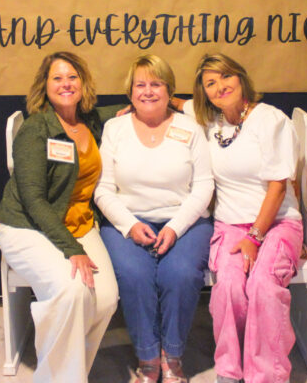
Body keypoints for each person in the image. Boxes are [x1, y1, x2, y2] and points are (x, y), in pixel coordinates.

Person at [0, 51, 119, 383]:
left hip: (78, 223)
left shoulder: (90, 121)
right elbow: (34, 201)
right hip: (27, 227)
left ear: (83, 83)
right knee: (71, 292)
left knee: (106, 298)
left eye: (72, 77)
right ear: (45, 86)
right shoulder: (36, 130)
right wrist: (72, 249)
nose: (66, 84)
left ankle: (68, 373)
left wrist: (171, 103)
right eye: (57, 78)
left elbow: (127, 108)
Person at [94, 54, 214, 383]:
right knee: (135, 275)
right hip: (127, 220)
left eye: (156, 84)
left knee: (179, 274)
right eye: (140, 85)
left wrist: (175, 227)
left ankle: (172, 356)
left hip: (185, 220)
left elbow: (204, 186)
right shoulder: (115, 128)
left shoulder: (191, 128)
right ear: (130, 92)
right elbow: (103, 189)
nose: (148, 91)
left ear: (169, 91)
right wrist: (130, 225)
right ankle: (148, 357)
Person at [186, 53, 303, 383]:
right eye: (211, 83)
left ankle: (266, 375)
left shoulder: (271, 120)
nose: (220, 86)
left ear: (241, 78)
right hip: (229, 224)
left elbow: (278, 188)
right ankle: (229, 370)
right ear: (205, 93)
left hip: (277, 222)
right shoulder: (210, 123)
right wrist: (133, 108)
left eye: (226, 76)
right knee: (229, 288)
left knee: (264, 285)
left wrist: (254, 237)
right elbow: (175, 103)